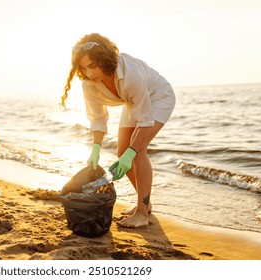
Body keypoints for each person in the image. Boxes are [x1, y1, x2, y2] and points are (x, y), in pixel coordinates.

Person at [61, 33, 176, 228]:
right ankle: (144, 205)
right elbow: (97, 118)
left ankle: (142, 213)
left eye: (92, 66)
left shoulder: (130, 75)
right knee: (122, 152)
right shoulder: (89, 84)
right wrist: (95, 149)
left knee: (137, 150)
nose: (88, 73)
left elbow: (144, 121)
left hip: (158, 97)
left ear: (103, 60)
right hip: (132, 102)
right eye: (83, 68)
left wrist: (132, 151)